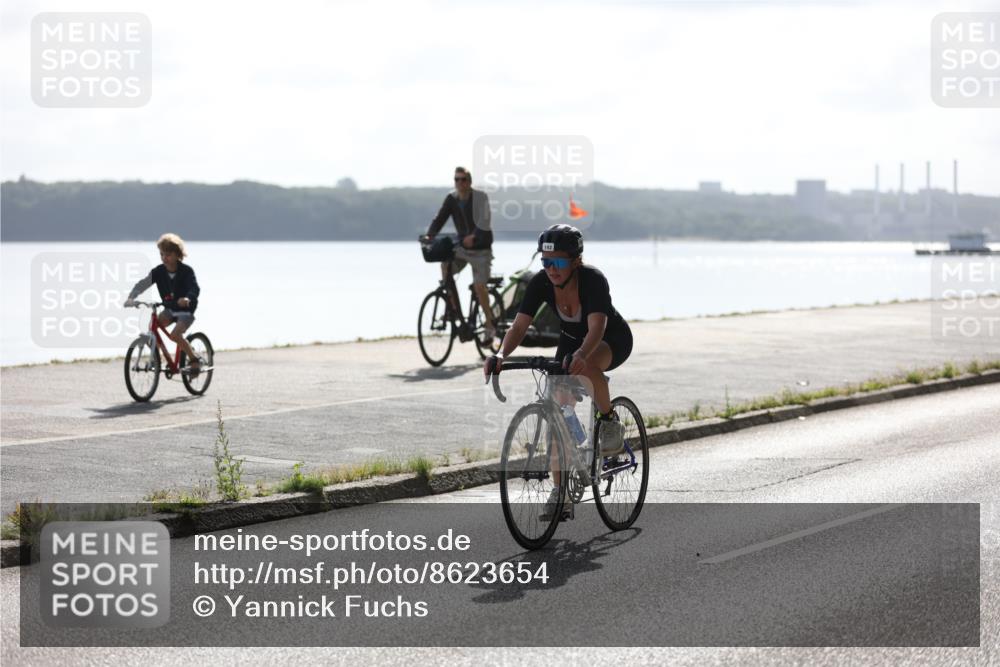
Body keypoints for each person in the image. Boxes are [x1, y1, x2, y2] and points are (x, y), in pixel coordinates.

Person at [485, 224, 633, 519]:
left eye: (559, 262)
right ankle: (560, 492)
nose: (551, 268)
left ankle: (608, 421)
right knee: (556, 409)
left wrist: (580, 354)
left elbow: (597, 327)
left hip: (608, 338)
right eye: (546, 261)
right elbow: (519, 326)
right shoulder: (541, 282)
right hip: (571, 341)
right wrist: (500, 354)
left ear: (576, 260)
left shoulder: (592, 280)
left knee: (588, 366)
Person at [424, 166, 497, 343]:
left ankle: (489, 326)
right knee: (445, 266)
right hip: (462, 248)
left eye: (463, 179)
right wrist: (430, 234)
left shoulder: (480, 197)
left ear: (469, 182)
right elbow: (440, 218)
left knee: (480, 286)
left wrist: (475, 236)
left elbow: (485, 220)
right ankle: (453, 309)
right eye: (456, 179)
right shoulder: (452, 198)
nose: (460, 183)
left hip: (481, 249)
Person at [125, 233, 203, 375]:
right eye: (161, 254)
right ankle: (159, 358)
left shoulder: (186, 271)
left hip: (185, 310)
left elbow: (194, 288)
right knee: (151, 332)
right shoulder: (159, 271)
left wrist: (188, 298)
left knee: (175, 335)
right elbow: (143, 283)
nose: (164, 258)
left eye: (168, 255)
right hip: (169, 309)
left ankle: (193, 359)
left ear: (177, 255)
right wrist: (131, 297)